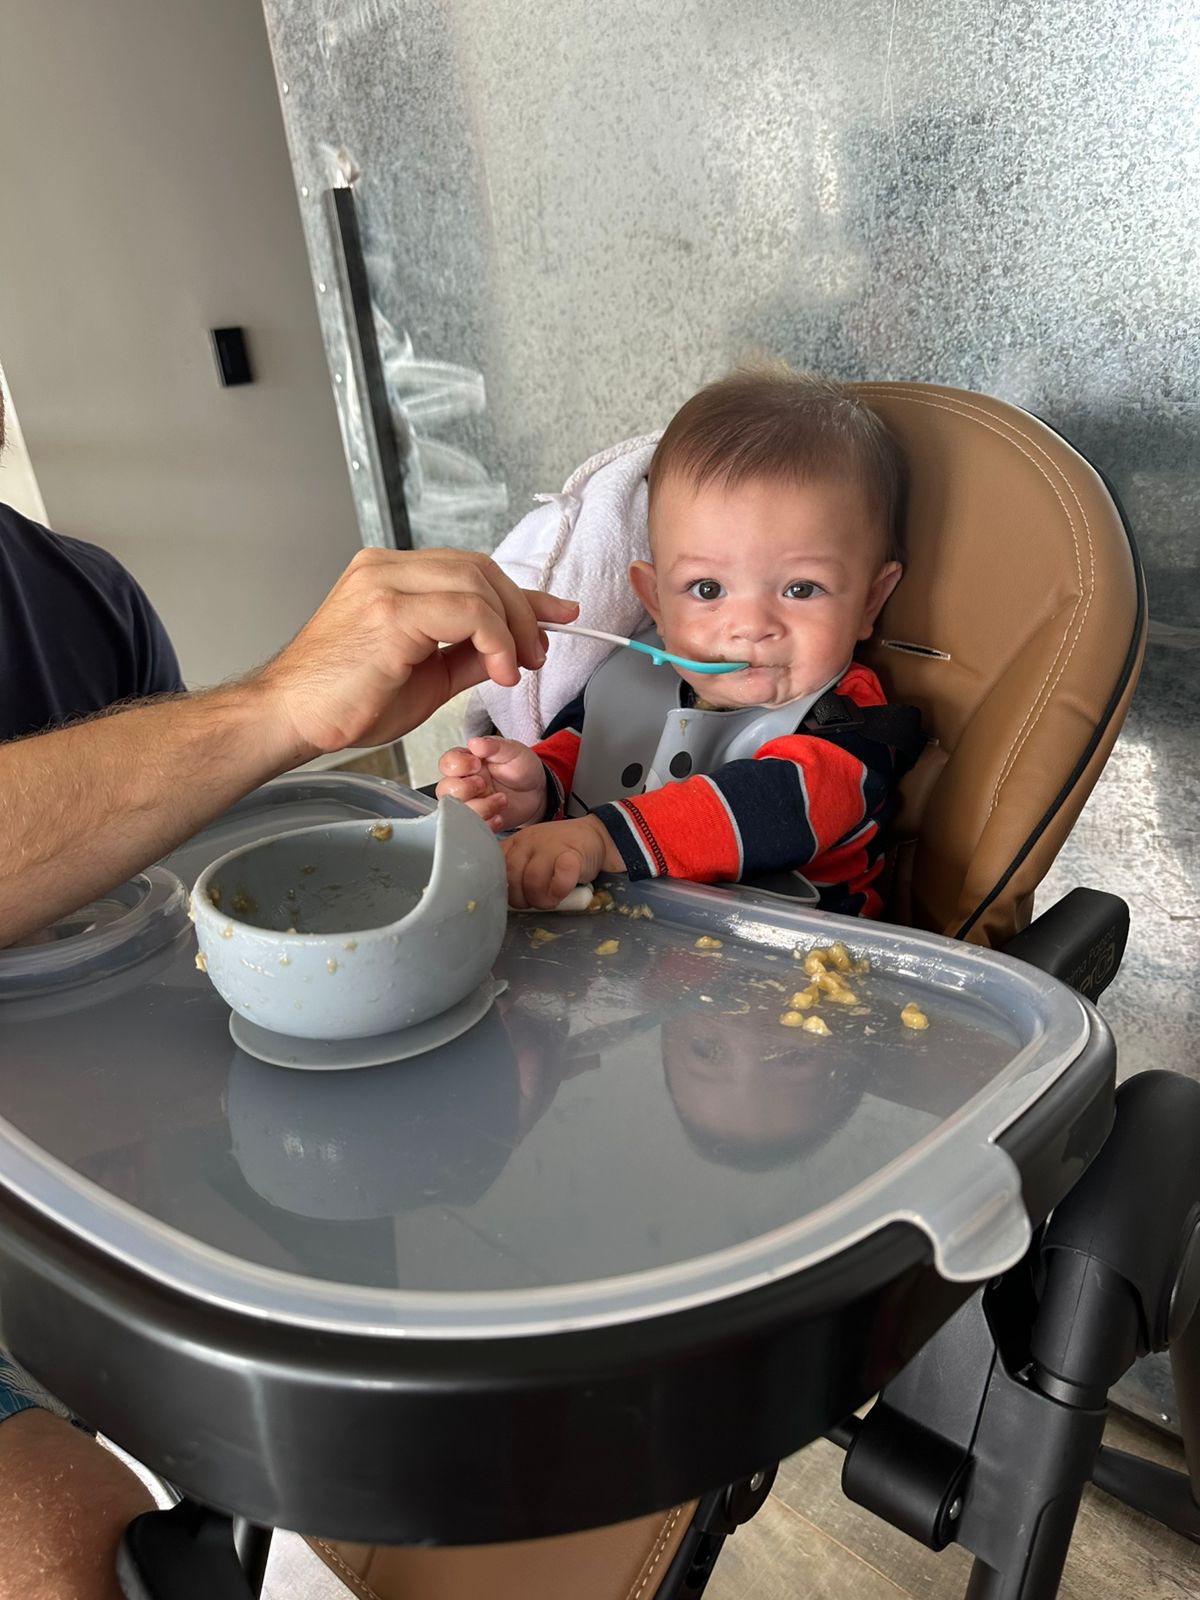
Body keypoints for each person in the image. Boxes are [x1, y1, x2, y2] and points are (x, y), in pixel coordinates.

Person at [0, 387, 577, 1597]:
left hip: (86, 1162)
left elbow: (165, 919)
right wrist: (272, 706)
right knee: (62, 1560)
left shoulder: (74, 597)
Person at [436, 368, 919, 913]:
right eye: (707, 588)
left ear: (869, 602)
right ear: (655, 603)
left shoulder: (849, 725)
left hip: (804, 972)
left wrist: (599, 839)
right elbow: (583, 753)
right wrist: (533, 789)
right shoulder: (624, 679)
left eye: (801, 588)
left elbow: (766, 806)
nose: (749, 625)